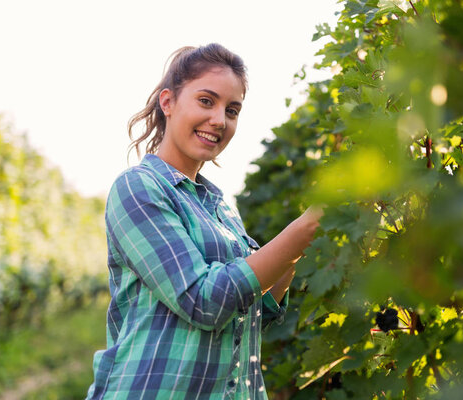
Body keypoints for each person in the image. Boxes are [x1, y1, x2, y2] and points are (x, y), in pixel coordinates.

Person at [86, 43, 322, 400]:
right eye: (206, 101)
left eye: (232, 110)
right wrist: (302, 231)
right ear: (168, 102)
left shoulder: (220, 207)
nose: (219, 120)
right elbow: (202, 301)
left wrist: (308, 234)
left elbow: (258, 306)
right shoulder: (138, 188)